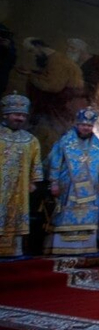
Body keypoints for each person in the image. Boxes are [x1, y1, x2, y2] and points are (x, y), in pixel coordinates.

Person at [45, 107, 99, 255]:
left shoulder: (97, 145)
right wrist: (53, 182)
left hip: (91, 188)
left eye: (89, 125)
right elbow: (54, 161)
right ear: (77, 124)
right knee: (65, 215)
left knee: (87, 216)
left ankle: (84, 247)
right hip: (68, 187)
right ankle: (61, 247)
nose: (86, 128)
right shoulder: (65, 141)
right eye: (83, 125)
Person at [18, 37, 84, 152]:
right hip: (60, 104)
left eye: (32, 51)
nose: (33, 55)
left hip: (63, 106)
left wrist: (31, 76)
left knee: (50, 137)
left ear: (38, 47)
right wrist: (33, 73)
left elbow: (53, 86)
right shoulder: (53, 59)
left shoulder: (58, 61)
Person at [0, 93, 42, 257]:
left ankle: (13, 251)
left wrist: (34, 181)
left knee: (16, 217)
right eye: (16, 115)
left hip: (20, 188)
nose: (20, 119)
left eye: (23, 115)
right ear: (6, 114)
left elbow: (36, 162)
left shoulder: (30, 140)